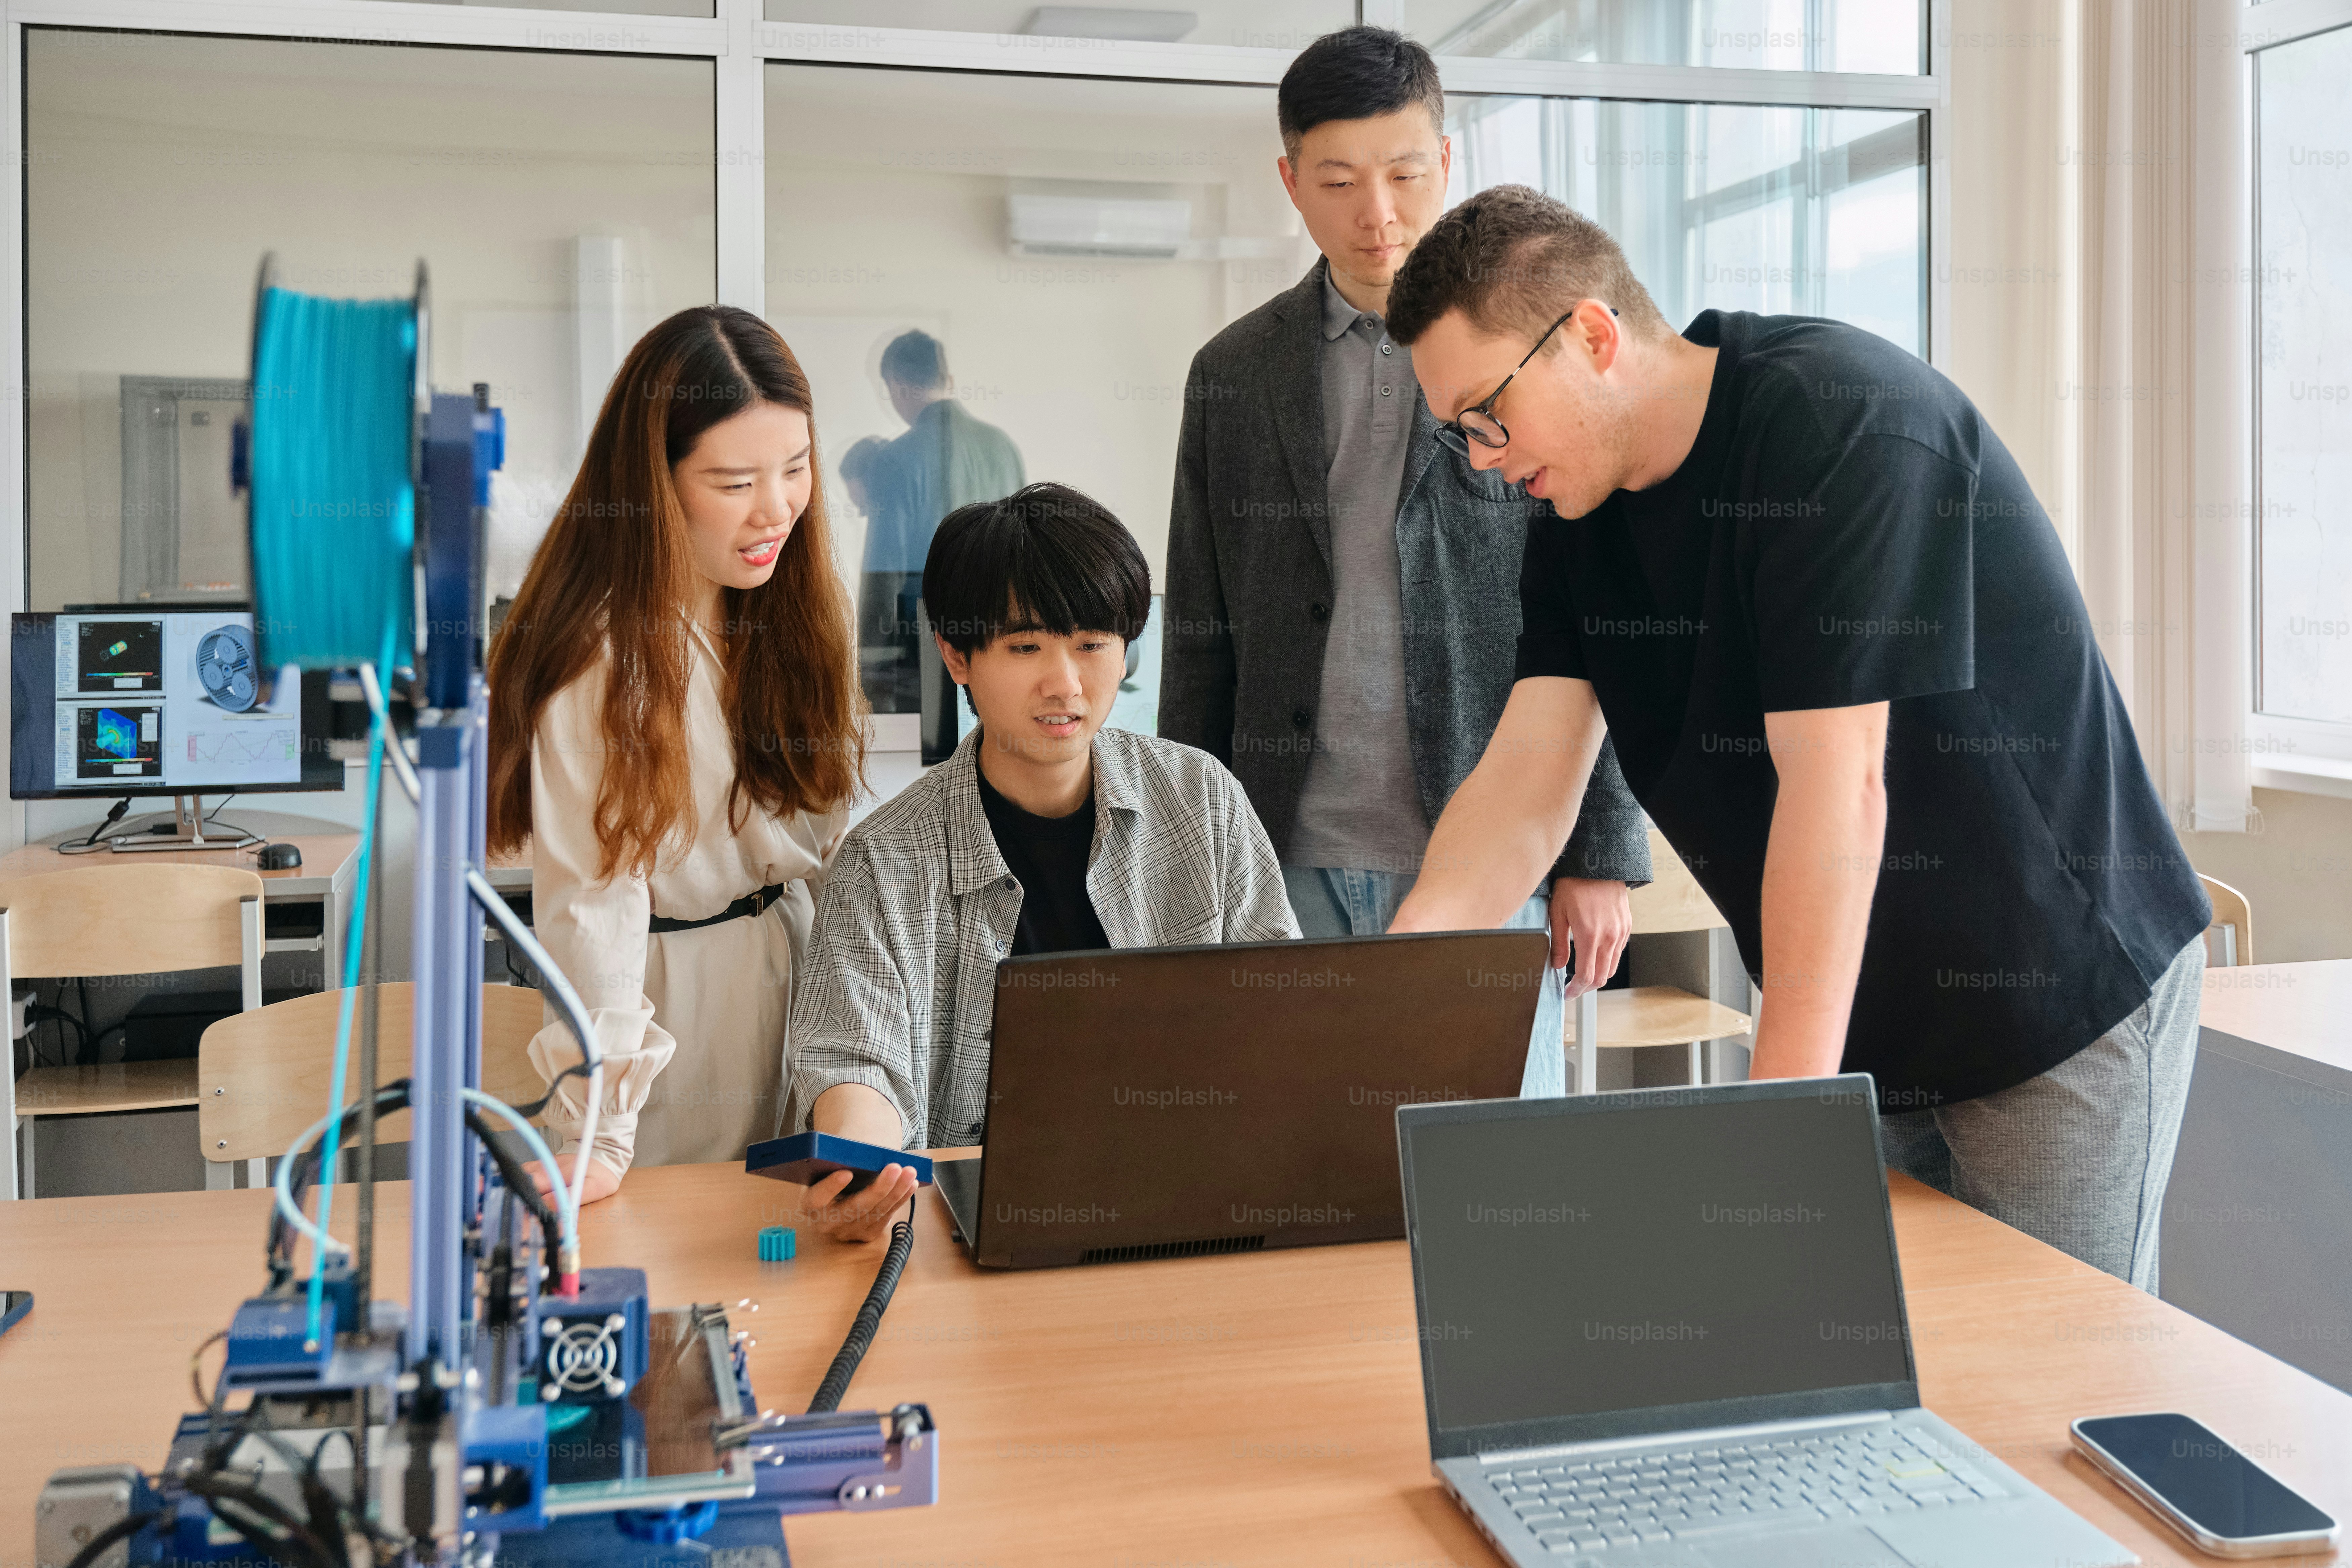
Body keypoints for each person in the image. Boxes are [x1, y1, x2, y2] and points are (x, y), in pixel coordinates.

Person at [1382, 183, 2211, 1290]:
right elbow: (1527, 788)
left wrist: (1777, 1131)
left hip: (2050, 994)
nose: (1483, 456)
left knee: (2056, 1388)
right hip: (1867, 1003)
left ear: (1589, 333)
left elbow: (1839, 789)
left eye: (1489, 413)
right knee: (1880, 1385)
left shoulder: (1836, 424)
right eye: (1461, 433)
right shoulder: (1576, 516)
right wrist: (1387, 998)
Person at [1159, 25, 1650, 1099]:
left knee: (1492, 1179)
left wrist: (1599, 849)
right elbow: (1200, 627)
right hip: (1281, 851)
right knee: (1290, 1166)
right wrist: (1188, 855)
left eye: (1403, 172)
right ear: (1289, 182)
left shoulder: (1534, 346)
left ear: (1448, 160)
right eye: (1336, 180)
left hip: (1490, 839)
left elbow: (1605, 602)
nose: (1375, 212)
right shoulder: (1233, 371)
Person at [786, 481, 1297, 1239]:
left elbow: (1278, 1009)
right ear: (958, 655)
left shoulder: (1200, 798)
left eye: (1091, 644)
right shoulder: (882, 858)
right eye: (1025, 646)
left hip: (1187, 1198)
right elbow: (854, 1059)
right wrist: (862, 1168)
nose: (1065, 683)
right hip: (983, 1220)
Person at [486, 305, 865, 1205]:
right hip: (665, 1010)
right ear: (652, 483)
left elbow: (832, 842)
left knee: (796, 1272)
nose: (776, 508)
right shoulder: (601, 654)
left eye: (797, 467)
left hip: (795, 982)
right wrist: (602, 1128)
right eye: (734, 482)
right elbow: (595, 901)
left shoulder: (792, 607)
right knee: (686, 1281)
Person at [855, 329, 1026, 712]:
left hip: (924, 654)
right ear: (947, 380)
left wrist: (869, 671)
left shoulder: (895, 459)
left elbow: (883, 575)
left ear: (896, 386)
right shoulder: (1003, 447)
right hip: (1000, 643)